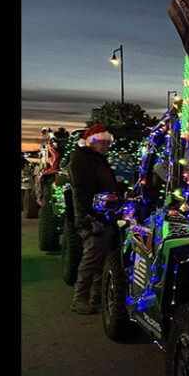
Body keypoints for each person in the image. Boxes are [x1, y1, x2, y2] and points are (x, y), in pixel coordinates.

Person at [68, 124, 119, 314]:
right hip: (93, 217)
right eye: (103, 142)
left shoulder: (98, 159)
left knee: (101, 257)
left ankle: (97, 296)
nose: (106, 146)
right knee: (92, 257)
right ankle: (80, 298)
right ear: (93, 141)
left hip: (103, 214)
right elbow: (81, 191)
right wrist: (89, 216)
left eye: (108, 143)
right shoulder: (83, 160)